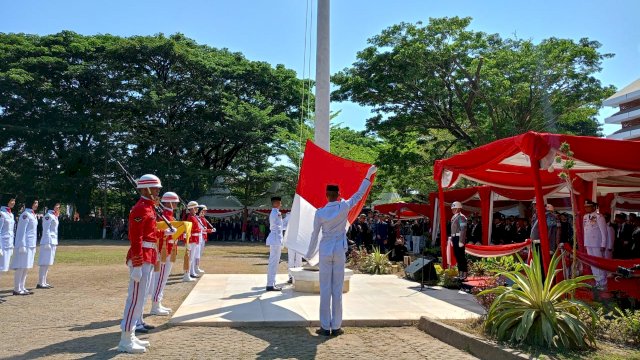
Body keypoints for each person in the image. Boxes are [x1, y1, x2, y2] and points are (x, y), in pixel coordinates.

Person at [306, 165, 376, 336]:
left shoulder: (320, 212)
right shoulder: (344, 206)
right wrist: (368, 175)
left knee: (325, 288)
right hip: (339, 249)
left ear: (326, 196)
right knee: (337, 288)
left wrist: (308, 254)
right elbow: (359, 195)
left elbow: (314, 234)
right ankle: (336, 326)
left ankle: (324, 326)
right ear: (338, 195)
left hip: (325, 249)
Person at [117, 174, 163, 353]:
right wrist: (136, 264)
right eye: (155, 188)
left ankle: (132, 334)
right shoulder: (140, 209)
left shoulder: (149, 208)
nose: (158, 191)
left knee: (141, 298)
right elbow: (135, 238)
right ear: (146, 189)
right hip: (141, 256)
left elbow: (150, 233)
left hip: (148, 254)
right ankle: (125, 339)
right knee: (135, 298)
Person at [148, 192, 180, 316]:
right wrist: (166, 232)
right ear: (169, 202)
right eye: (175, 202)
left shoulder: (169, 215)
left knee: (163, 278)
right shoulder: (164, 215)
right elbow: (157, 229)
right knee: (160, 278)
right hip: (164, 250)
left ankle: (158, 303)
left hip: (169, 249)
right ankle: (155, 304)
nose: (176, 204)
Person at [11, 199, 39, 296]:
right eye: (35, 203)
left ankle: (22, 287)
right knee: (21, 267)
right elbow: (21, 231)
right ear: (30, 203)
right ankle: (16, 288)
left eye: (37, 203)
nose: (36, 205)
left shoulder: (32, 215)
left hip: (31, 244)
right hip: (25, 244)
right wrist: (21, 245)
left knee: (26, 267)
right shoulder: (25, 215)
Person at [582, 200, 608, 290]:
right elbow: (585, 231)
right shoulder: (585, 217)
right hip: (589, 243)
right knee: (592, 264)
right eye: (585, 206)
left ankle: (603, 282)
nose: (586, 208)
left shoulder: (599, 217)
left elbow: (604, 232)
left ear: (593, 207)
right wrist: (585, 243)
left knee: (599, 263)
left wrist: (603, 244)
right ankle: (597, 282)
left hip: (597, 243)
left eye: (588, 206)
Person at [37, 202, 60, 289]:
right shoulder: (48, 216)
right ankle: (40, 282)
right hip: (48, 241)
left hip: (53, 241)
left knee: (48, 263)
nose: (58, 207)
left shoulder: (54, 216)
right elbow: (46, 230)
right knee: (44, 263)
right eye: (57, 205)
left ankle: (44, 281)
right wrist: (47, 242)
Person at [0, 196, 16, 302]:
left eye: (14, 201)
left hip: (8, 244)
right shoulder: (1, 213)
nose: (13, 202)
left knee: (3, 269)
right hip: (2, 245)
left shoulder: (10, 214)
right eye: (12, 201)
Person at [266, 196, 284, 291]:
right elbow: (277, 228)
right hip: (276, 239)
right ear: (276, 203)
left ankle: (271, 283)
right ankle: (270, 284)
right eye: (280, 203)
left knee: (274, 262)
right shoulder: (275, 213)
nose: (281, 204)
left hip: (276, 239)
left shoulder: (276, 213)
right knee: (274, 262)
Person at [450, 201, 468, 280]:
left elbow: (463, 229)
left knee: (461, 256)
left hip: (459, 238)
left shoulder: (461, 217)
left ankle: (464, 273)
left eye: (454, 208)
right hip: (455, 238)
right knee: (457, 256)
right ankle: (460, 272)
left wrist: (461, 241)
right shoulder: (454, 217)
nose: (453, 210)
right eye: (452, 208)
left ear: (458, 208)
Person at [184, 201, 201, 282]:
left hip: (195, 239)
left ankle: (191, 272)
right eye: (196, 208)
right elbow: (189, 230)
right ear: (193, 208)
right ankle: (187, 275)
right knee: (190, 258)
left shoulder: (193, 216)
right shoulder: (190, 217)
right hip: (192, 240)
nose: (197, 209)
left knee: (192, 258)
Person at [197, 205, 214, 274]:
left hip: (203, 236)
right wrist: (210, 230)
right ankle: (196, 267)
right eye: (204, 211)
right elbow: (202, 229)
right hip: (200, 236)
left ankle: (197, 267)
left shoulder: (202, 218)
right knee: (197, 254)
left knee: (199, 254)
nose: (205, 212)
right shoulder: (199, 218)